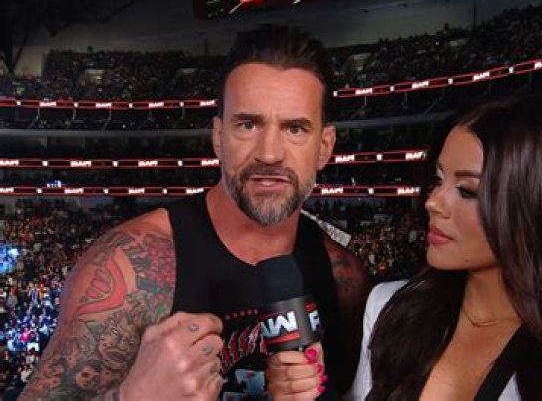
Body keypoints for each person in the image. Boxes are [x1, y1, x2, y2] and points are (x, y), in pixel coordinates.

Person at [20, 26, 371, 400]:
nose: (269, 153)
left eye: (295, 129)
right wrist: (131, 397)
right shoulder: (127, 267)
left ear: (325, 146)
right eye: (248, 125)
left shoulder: (344, 279)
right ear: (218, 136)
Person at [266, 96, 542, 400]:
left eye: (467, 190)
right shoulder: (390, 308)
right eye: (438, 180)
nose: (433, 202)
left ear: (539, 206)